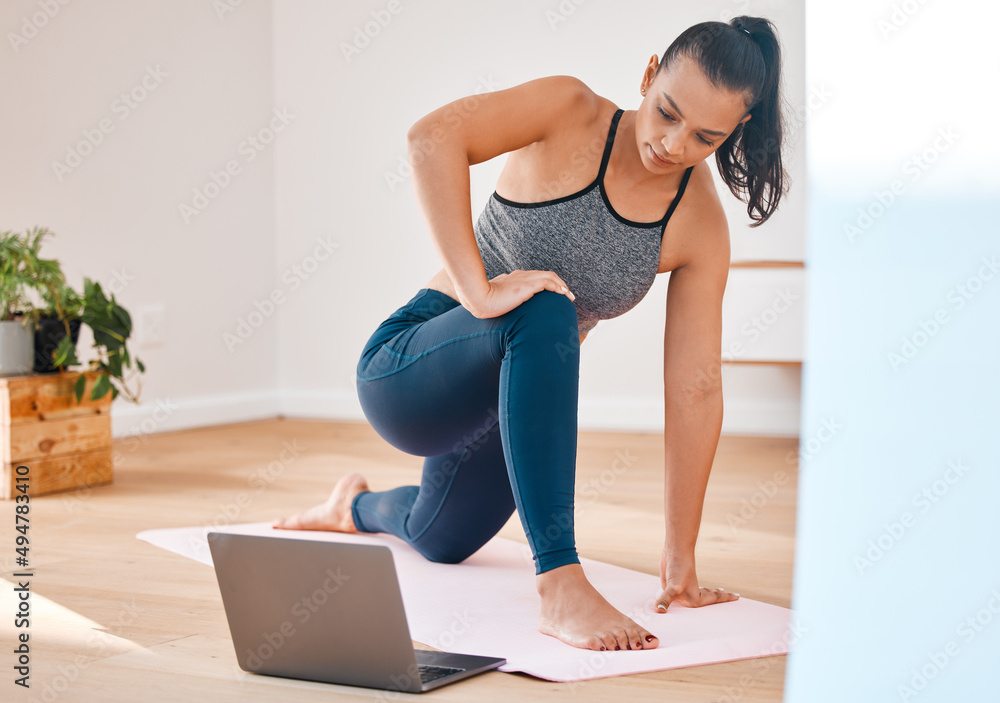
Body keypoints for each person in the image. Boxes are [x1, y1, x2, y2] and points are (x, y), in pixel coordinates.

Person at [273, 16, 788, 653]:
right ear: (650, 73)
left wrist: (680, 558)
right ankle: (560, 582)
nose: (673, 144)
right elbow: (431, 138)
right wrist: (478, 290)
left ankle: (350, 508)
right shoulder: (567, 110)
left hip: (502, 415)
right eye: (667, 113)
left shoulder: (697, 221)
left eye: (705, 136)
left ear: (734, 131)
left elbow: (696, 386)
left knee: (439, 538)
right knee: (547, 305)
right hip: (408, 372)